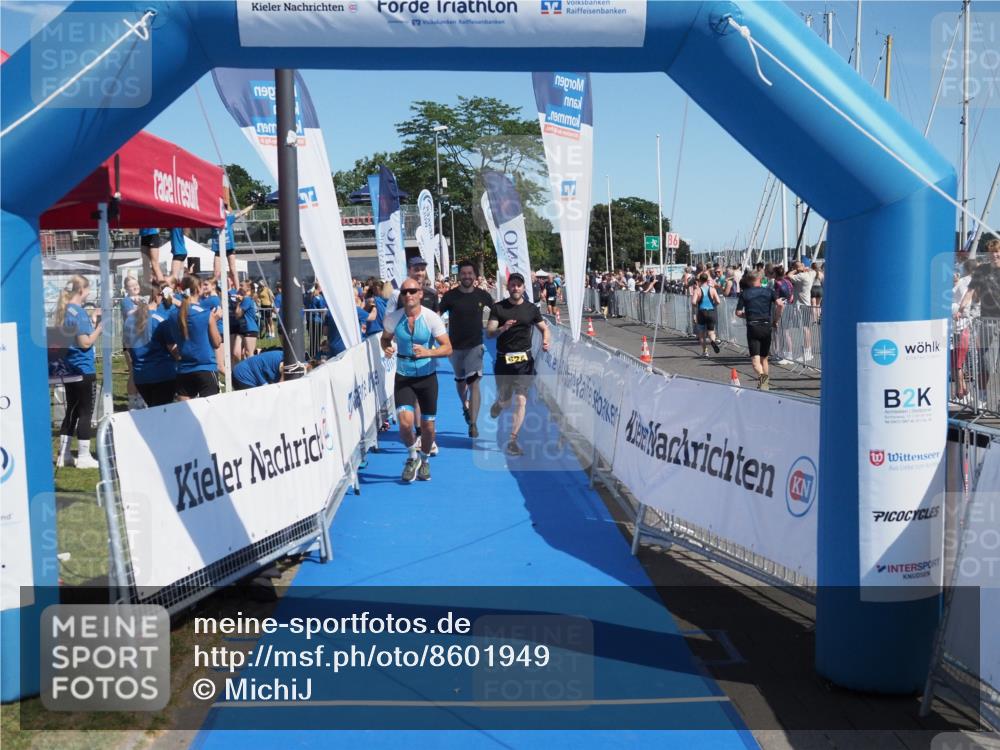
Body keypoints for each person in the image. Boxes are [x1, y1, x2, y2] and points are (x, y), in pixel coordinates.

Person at [380, 278, 453, 483]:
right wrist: (386, 347)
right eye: (404, 292)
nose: (408, 295)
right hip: (404, 377)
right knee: (404, 425)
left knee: (428, 427)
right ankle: (412, 456)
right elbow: (385, 338)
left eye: (412, 291)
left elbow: (448, 348)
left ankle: (425, 459)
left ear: (420, 294)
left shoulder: (431, 319)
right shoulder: (393, 318)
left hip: (427, 378)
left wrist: (428, 351)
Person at [487, 272, 551, 457]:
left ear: (523, 287)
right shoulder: (499, 308)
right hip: (504, 360)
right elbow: (489, 333)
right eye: (512, 285)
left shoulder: (531, 309)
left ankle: (513, 440)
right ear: (508, 287)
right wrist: (503, 327)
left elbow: (544, 328)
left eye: (519, 285)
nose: (515, 288)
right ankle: (499, 404)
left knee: (521, 400)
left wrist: (546, 341)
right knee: (506, 402)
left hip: (524, 361)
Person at [440, 260, 495, 439]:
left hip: (475, 346)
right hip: (454, 347)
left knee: (474, 383)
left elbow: (497, 313)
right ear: (459, 275)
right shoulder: (450, 296)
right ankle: (465, 405)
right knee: (460, 381)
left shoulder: (483, 296)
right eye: (463, 273)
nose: (467, 276)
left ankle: (473, 423)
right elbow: (434, 316)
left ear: (475, 276)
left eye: (470, 273)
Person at [54, 276, 103, 468]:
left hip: (69, 368)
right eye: (88, 288)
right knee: (85, 412)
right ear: (81, 290)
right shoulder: (79, 312)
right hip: (83, 368)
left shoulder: (64, 310)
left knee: (71, 411)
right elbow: (85, 343)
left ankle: (64, 454)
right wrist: (99, 328)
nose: (89, 292)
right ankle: (83, 456)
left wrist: (90, 320)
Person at [167, 275, 224, 399]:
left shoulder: (172, 315)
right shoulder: (205, 313)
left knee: (185, 415)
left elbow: (174, 340)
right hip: (205, 367)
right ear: (198, 288)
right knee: (210, 413)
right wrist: (214, 320)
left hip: (183, 369)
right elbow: (217, 342)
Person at [123, 284, 177, 407]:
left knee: (153, 413)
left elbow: (127, 348)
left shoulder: (129, 320)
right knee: (163, 416)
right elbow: (172, 349)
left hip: (141, 377)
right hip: (162, 375)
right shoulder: (161, 319)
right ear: (158, 296)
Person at [735, 270, 784, 390]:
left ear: (748, 281)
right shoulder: (769, 291)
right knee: (764, 359)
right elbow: (780, 304)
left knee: (755, 362)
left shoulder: (745, 294)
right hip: (766, 325)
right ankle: (764, 384)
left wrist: (748, 315)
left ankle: (763, 381)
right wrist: (776, 319)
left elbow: (738, 312)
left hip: (753, 326)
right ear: (760, 279)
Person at [120, 275, 144, 410]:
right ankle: (132, 400)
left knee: (142, 370)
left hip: (142, 339)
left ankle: (141, 397)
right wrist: (143, 307)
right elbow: (130, 314)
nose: (135, 287)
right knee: (133, 371)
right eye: (131, 286)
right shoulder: (126, 301)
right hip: (130, 341)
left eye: (136, 284)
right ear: (126, 289)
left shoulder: (143, 299)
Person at [693, 272, 722, 356]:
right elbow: (718, 301)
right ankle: (712, 341)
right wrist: (713, 305)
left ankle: (705, 351)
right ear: (707, 280)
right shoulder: (712, 289)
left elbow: (693, 302)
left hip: (702, 312)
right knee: (711, 332)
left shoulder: (697, 290)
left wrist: (697, 305)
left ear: (700, 280)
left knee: (701, 334)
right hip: (711, 311)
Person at [235, 279, 260, 360]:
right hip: (243, 329)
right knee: (236, 353)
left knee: (249, 354)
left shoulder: (247, 299)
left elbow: (238, 314)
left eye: (242, 286)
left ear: (248, 289)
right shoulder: (245, 299)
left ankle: (253, 371)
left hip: (250, 329)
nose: (239, 287)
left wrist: (238, 302)